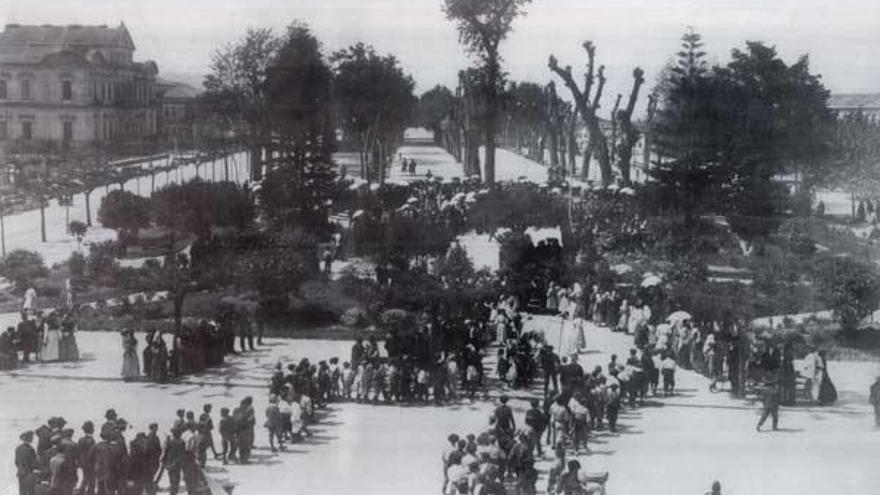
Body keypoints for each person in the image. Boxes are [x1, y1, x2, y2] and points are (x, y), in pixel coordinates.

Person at [160, 429, 186, 495]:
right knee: (176, 481)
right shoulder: (182, 442)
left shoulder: (170, 442)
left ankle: (172, 492)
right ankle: (174, 492)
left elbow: (165, 452)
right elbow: (183, 454)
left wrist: (164, 462)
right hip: (177, 464)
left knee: (172, 480)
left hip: (170, 464)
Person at [77, 421, 97, 495]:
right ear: (91, 430)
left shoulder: (80, 440)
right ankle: (90, 493)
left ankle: (81, 492)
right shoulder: (92, 441)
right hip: (90, 463)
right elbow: (92, 453)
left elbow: (78, 452)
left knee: (85, 478)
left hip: (82, 462)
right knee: (92, 479)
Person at [16, 431, 37, 495]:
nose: (32, 438)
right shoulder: (30, 449)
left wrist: (20, 468)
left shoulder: (18, 448)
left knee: (22, 491)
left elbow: (16, 462)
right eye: (31, 437)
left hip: (20, 473)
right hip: (29, 473)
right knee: (31, 491)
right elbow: (34, 462)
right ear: (29, 439)